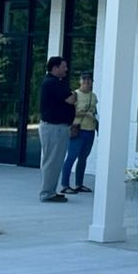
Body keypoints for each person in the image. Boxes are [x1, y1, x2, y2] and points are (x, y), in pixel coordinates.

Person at [36, 56, 73, 203]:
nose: (66, 69)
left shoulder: (57, 82)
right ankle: (47, 193)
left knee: (56, 161)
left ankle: (51, 191)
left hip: (58, 128)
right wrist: (75, 94)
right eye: (63, 66)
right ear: (55, 68)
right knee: (52, 161)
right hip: (53, 128)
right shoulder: (51, 83)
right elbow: (70, 99)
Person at [62, 73, 97, 195]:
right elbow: (69, 112)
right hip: (77, 129)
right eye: (84, 80)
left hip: (90, 129)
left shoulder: (93, 96)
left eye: (89, 80)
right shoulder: (75, 95)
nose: (87, 82)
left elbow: (95, 111)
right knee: (71, 157)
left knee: (83, 158)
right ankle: (65, 184)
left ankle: (79, 183)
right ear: (80, 81)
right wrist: (85, 114)